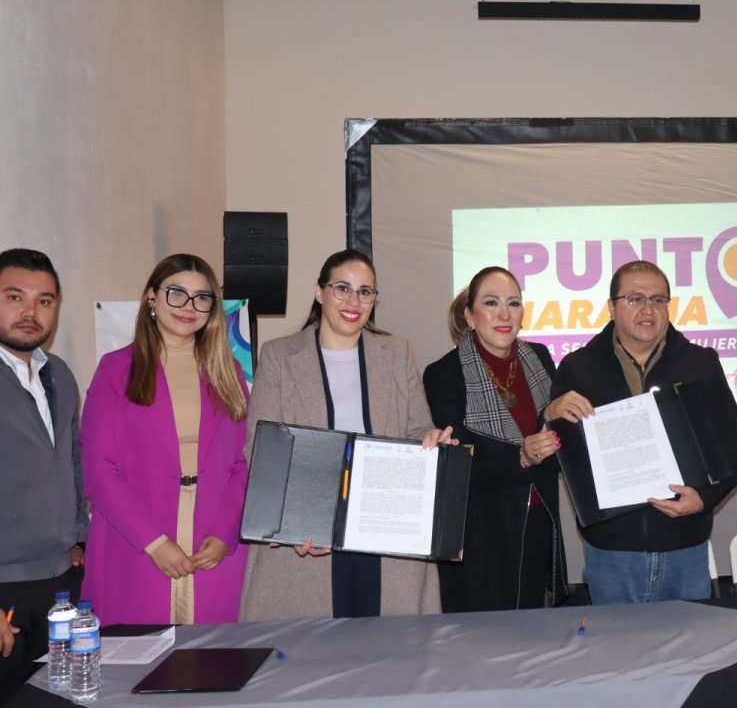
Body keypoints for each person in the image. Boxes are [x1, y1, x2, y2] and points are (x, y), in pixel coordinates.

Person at [240, 249, 452, 620]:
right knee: (315, 650)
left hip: (385, 533)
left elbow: (418, 427)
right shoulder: (279, 356)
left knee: (387, 647)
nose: (354, 302)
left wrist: (432, 439)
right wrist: (301, 524)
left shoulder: (397, 353)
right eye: (342, 288)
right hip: (309, 539)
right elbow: (262, 450)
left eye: (365, 292)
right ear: (319, 292)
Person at [548, 260, 737, 605]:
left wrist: (704, 500)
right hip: (611, 553)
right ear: (611, 308)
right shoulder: (578, 369)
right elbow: (560, 456)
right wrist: (549, 415)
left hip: (685, 548)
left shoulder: (700, 364)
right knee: (616, 641)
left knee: (690, 640)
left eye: (658, 300)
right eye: (635, 299)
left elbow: (731, 449)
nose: (648, 309)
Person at [80, 254, 250, 624]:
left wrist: (225, 533)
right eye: (176, 293)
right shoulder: (116, 369)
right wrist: (154, 542)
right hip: (135, 538)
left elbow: (243, 463)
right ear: (152, 298)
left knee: (215, 652)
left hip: (213, 538)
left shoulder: (228, 372)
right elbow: (98, 470)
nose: (189, 306)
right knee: (139, 653)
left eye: (202, 297)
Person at [423, 267, 571, 611]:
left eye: (513, 303)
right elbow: (458, 466)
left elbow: (557, 445)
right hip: (480, 538)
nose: (504, 315)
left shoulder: (540, 358)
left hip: (538, 524)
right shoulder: (444, 374)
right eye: (491, 303)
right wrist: (522, 457)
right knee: (483, 639)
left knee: (538, 635)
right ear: (469, 316)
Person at [0, 249, 86, 699]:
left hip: (58, 584)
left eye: (45, 301)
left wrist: (79, 538)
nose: (30, 312)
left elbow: (72, 461)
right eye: (14, 297)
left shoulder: (60, 375)